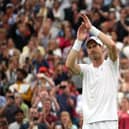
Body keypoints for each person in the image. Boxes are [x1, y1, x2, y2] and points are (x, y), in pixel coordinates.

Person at [66, 14, 119, 129]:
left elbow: (112, 45)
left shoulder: (111, 64)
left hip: (108, 121)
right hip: (89, 123)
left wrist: (91, 29)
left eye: (95, 45)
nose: (92, 49)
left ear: (102, 48)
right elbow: (69, 64)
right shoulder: (86, 69)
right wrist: (79, 41)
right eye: (89, 47)